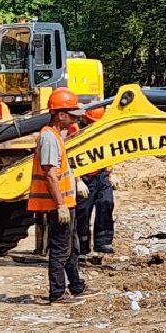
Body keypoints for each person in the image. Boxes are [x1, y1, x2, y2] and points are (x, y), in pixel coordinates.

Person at [27, 88, 87, 303]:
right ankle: (58, 292)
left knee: (71, 247)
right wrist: (60, 205)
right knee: (61, 249)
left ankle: (75, 286)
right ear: (61, 115)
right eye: (72, 115)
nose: (75, 119)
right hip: (57, 205)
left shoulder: (56, 136)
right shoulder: (49, 138)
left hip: (65, 203)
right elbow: (51, 175)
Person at [75, 107, 116, 256]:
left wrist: (110, 173)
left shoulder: (103, 131)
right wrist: (78, 180)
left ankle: (103, 241)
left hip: (101, 174)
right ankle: (82, 244)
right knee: (83, 211)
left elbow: (109, 151)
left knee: (106, 202)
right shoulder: (76, 133)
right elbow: (71, 157)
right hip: (85, 176)